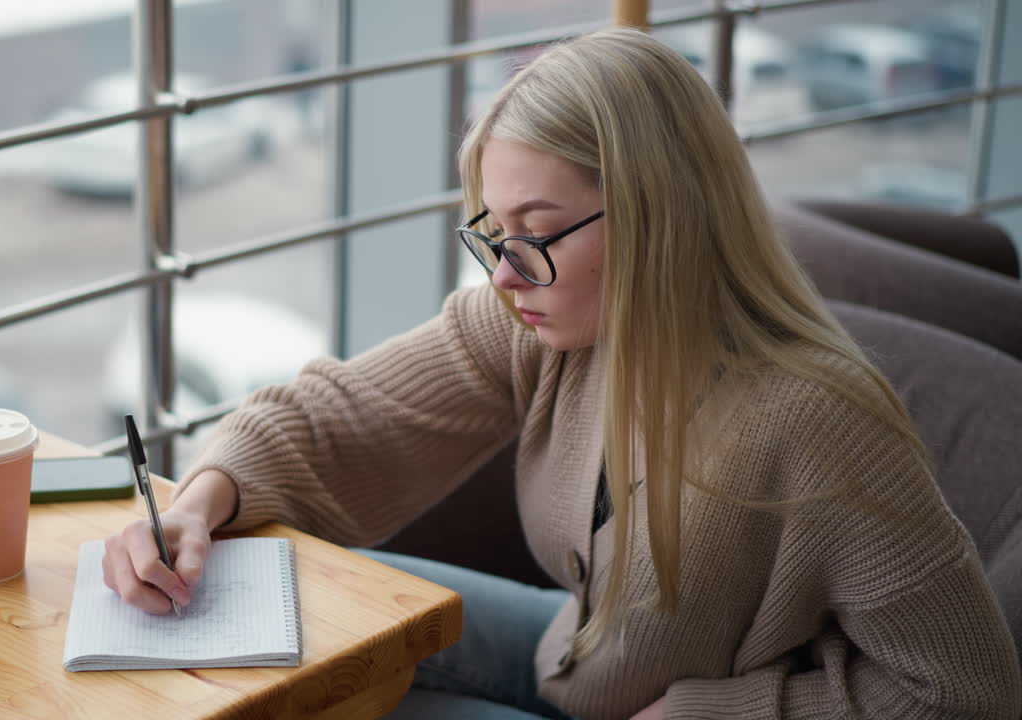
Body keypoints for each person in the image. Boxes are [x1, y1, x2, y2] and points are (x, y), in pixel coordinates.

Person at [102, 27, 1022, 719]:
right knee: (277, 604)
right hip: (568, 655)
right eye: (495, 235)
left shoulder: (818, 425)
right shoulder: (538, 326)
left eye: (536, 234)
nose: (505, 274)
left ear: (664, 217)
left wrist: (720, 713)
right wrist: (197, 505)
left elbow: (965, 690)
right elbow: (342, 418)